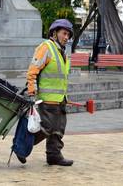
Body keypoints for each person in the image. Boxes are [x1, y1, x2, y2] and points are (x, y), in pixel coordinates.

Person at [23, 19, 74, 166]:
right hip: (47, 99)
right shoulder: (46, 47)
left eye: (68, 35)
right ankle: (21, 146)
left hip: (60, 99)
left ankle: (54, 156)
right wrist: (32, 92)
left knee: (58, 129)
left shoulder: (62, 52)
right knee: (47, 128)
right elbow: (32, 71)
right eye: (64, 33)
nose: (66, 37)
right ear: (54, 33)